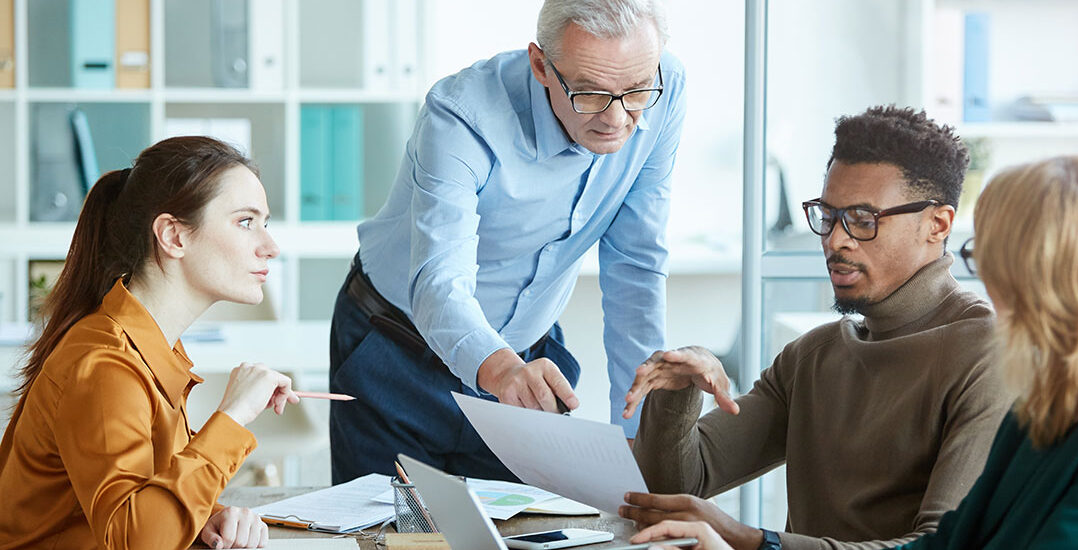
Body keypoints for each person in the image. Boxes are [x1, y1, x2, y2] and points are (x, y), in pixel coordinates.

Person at [619, 106, 1013, 549]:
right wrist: (679, 391)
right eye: (828, 216)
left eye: (863, 220)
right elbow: (671, 490)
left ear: (937, 225)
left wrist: (751, 540)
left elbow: (943, 546)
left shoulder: (991, 358)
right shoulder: (814, 355)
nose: (835, 240)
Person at [329, 0, 686, 483]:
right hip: (395, 349)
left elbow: (635, 266)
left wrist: (638, 439)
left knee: (531, 521)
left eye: (636, 91)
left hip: (525, 363)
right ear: (541, 65)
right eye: (589, 93)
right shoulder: (461, 114)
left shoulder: (666, 85)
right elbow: (440, 281)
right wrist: (501, 371)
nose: (617, 118)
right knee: (393, 523)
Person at [0, 137, 298, 550]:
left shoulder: (152, 347)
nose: (270, 247)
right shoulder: (105, 364)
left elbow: (145, 494)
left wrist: (206, 517)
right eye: (246, 222)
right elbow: (135, 541)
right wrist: (232, 416)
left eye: (265, 223)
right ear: (173, 236)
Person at [892, 156, 1078, 549]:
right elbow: (953, 542)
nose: (986, 282)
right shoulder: (1045, 404)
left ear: (1030, 275)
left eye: (985, 258)